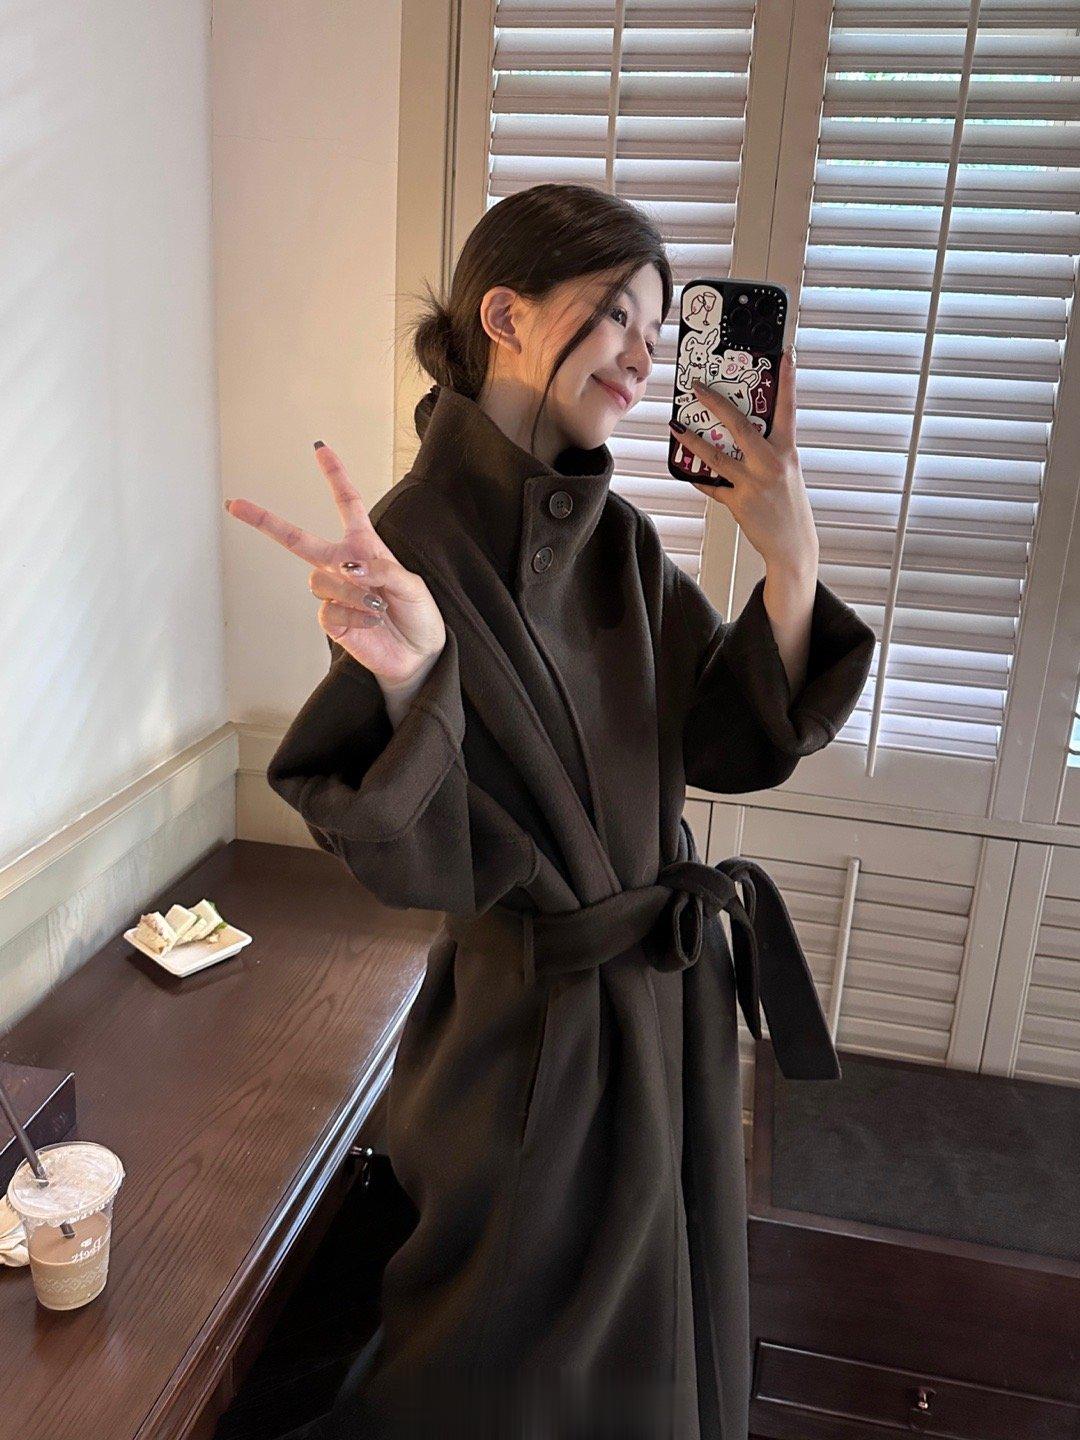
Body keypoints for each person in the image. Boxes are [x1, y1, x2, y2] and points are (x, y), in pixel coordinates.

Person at [224, 182, 877, 1439]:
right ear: (505, 314)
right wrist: (413, 678)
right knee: (516, 1384)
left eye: (659, 329)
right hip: (532, 1052)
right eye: (617, 314)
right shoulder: (407, 546)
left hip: (660, 1017)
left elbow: (729, 738)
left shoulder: (617, 541)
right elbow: (402, 853)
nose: (644, 357)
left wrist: (789, 557)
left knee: (647, 1357)